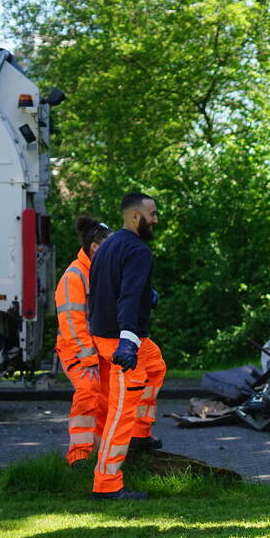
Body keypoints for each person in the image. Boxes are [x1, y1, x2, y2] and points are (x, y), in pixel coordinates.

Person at [87, 193, 168, 500]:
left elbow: (107, 290)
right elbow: (128, 298)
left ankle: (140, 434)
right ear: (136, 217)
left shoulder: (107, 246)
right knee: (121, 411)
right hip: (122, 341)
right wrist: (127, 342)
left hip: (111, 335)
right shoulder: (138, 251)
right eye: (153, 214)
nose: (156, 219)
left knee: (157, 366)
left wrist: (149, 293)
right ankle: (106, 485)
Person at [55, 216, 111, 466]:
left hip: (97, 349)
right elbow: (72, 323)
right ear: (95, 247)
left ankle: (99, 455)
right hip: (76, 350)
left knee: (107, 398)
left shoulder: (99, 271)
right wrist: (88, 358)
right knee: (88, 392)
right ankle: (79, 457)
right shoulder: (74, 276)